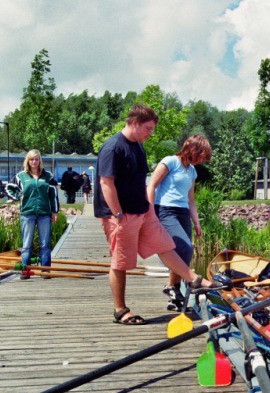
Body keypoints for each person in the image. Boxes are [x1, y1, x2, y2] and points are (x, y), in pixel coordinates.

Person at [94, 104, 219, 325]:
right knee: (120, 262)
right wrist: (118, 214)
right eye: (148, 128)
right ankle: (120, 310)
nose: (151, 133)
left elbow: (141, 181)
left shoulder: (139, 147)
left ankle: (194, 279)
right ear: (134, 123)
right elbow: (106, 183)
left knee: (166, 246)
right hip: (121, 215)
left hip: (143, 211)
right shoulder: (113, 147)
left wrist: (148, 208)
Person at [147, 135, 212, 311]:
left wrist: (196, 222)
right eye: (201, 156)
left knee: (181, 252)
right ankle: (179, 285)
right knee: (185, 248)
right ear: (193, 150)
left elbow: (191, 199)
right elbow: (151, 185)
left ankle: (173, 292)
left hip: (182, 212)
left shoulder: (192, 171)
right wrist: (150, 212)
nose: (201, 161)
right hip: (165, 209)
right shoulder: (170, 162)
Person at [6, 149, 60, 279]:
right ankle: (26, 270)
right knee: (26, 244)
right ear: (28, 161)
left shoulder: (48, 176)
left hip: (44, 213)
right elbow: (8, 187)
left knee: (45, 244)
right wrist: (18, 196)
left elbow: (54, 195)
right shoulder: (21, 176)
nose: (34, 162)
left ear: (40, 160)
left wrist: (55, 211)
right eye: (31, 159)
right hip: (27, 213)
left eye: (36, 159)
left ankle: (45, 270)